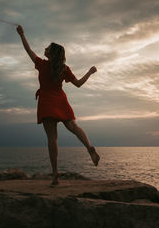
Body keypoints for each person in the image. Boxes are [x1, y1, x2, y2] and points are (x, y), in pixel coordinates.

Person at [16, 25, 100, 185]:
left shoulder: (42, 64)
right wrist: (89, 72)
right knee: (74, 127)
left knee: (52, 139)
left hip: (47, 102)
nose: (45, 49)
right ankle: (89, 147)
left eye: (47, 48)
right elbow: (78, 84)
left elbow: (28, 51)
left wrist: (21, 35)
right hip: (61, 100)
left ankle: (55, 175)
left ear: (51, 53)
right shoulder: (64, 68)